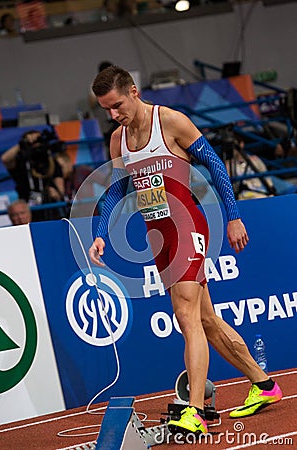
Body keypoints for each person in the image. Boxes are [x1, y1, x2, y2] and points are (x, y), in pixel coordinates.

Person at [88, 66, 282, 435]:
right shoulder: (119, 140)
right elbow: (115, 189)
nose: (113, 115)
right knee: (205, 320)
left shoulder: (172, 122)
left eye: (116, 106)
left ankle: (194, 410)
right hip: (158, 237)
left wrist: (234, 217)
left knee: (185, 315)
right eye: (106, 110)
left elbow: (215, 165)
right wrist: (100, 232)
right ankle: (264, 385)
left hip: (187, 226)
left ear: (133, 91)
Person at [1, 129, 65, 220]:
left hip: (50, 208)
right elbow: (5, 159)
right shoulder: (22, 163)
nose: (36, 144)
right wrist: (23, 143)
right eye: (33, 143)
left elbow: (60, 190)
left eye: (38, 140)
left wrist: (55, 193)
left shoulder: (52, 163)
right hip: (28, 210)